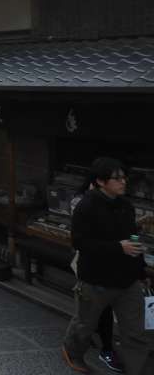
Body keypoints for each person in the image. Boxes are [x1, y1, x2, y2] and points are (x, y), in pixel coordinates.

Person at [62, 157, 154, 375]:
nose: (123, 182)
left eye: (124, 178)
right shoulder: (87, 206)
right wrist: (117, 247)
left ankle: (138, 370)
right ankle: (72, 351)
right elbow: (80, 243)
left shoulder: (126, 205)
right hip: (96, 279)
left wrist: (141, 272)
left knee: (137, 330)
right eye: (117, 178)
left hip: (128, 279)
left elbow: (131, 239)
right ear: (101, 181)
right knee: (85, 324)